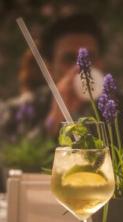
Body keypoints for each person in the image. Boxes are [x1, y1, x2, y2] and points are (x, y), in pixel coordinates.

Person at [0, 13, 105, 141]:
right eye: (69, 59)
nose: (81, 68)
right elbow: (13, 158)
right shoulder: (16, 113)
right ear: (49, 68)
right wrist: (53, 122)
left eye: (90, 58)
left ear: (101, 63)